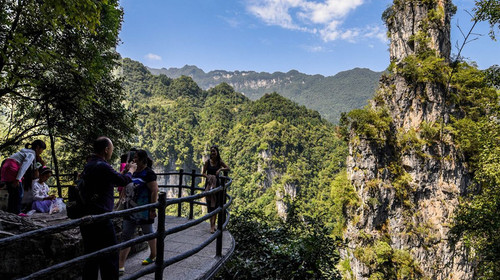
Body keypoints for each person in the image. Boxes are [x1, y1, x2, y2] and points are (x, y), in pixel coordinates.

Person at [79, 136, 137, 280]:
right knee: (110, 255)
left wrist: (123, 172)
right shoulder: (102, 166)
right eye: (111, 149)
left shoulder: (90, 164)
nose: (111, 152)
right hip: (102, 217)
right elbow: (122, 181)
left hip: (88, 217)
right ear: (106, 150)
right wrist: (131, 171)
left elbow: (110, 179)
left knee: (91, 255)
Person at [118, 150, 159, 275]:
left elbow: (154, 191)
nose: (133, 160)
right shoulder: (132, 171)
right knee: (126, 236)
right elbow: (123, 183)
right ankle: (120, 266)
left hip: (143, 211)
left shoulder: (149, 173)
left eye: (135, 158)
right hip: (129, 210)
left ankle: (153, 255)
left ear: (142, 160)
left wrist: (152, 209)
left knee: (148, 233)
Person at [0, 140, 46, 215]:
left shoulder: (26, 151)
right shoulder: (31, 154)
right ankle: (17, 212)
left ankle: (11, 212)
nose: (41, 152)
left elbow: (33, 166)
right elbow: (24, 167)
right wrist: (17, 179)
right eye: (42, 149)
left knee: (12, 192)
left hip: (6, 166)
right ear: (37, 148)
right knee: (19, 192)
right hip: (12, 167)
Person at [201, 145, 230, 233]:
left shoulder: (219, 162)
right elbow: (203, 173)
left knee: (216, 205)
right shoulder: (207, 162)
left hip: (217, 185)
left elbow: (228, 168)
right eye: (211, 151)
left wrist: (220, 169)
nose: (213, 153)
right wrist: (209, 177)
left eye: (214, 151)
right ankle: (211, 226)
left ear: (217, 152)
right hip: (209, 185)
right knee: (210, 205)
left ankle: (214, 225)